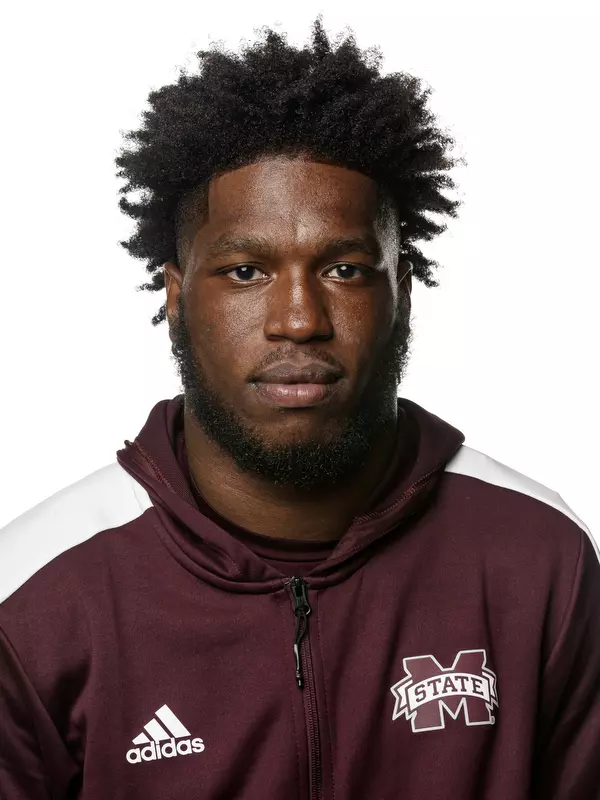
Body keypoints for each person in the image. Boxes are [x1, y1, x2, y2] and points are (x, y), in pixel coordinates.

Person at [1, 17, 598, 800]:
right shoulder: (35, 597)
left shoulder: (536, 557)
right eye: (245, 271)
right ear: (177, 298)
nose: (297, 319)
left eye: (346, 268)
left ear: (403, 294)